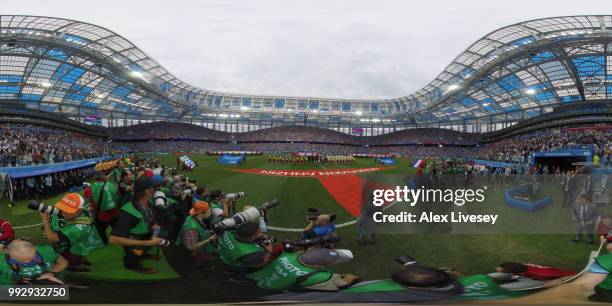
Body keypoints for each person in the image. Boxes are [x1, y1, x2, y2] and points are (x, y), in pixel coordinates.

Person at [109, 176, 168, 274]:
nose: (157, 189)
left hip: (144, 237)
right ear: (147, 191)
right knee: (133, 256)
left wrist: (154, 228)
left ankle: (143, 254)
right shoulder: (128, 212)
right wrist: (148, 243)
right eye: (154, 187)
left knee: (141, 252)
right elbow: (113, 239)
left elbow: (149, 218)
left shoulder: (148, 202)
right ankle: (134, 266)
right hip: (135, 241)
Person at [40, 193, 104, 272]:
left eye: (67, 210)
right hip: (82, 240)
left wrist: (45, 220)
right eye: (62, 208)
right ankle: (82, 260)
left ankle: (77, 266)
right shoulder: (84, 210)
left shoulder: (74, 229)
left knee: (68, 252)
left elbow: (52, 238)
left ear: (78, 211)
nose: (63, 212)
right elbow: (69, 215)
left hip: (74, 243)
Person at [246, 247, 359, 291]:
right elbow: (347, 281)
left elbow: (298, 253)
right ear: (318, 266)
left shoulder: (288, 256)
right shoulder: (318, 275)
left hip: (252, 280)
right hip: (268, 293)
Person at [0, 240, 68, 285]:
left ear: (35, 248)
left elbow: (63, 262)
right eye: (19, 259)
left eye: (31, 257)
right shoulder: (1, 260)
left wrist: (51, 273)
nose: (26, 262)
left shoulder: (46, 250)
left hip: (51, 283)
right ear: (6, 251)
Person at [176, 201, 219, 266]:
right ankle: (199, 261)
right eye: (209, 211)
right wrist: (210, 239)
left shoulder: (191, 217)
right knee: (209, 263)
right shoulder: (192, 230)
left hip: (194, 243)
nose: (211, 213)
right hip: (195, 250)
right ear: (200, 213)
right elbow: (191, 246)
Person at [88, 171, 119, 244]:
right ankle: (119, 238)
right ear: (104, 177)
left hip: (102, 213)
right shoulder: (111, 184)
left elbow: (92, 202)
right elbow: (117, 196)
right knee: (116, 226)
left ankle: (105, 241)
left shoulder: (91, 187)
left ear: (95, 178)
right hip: (114, 211)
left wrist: (94, 209)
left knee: (100, 229)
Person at [494, 262, 575, 281]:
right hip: (542, 273)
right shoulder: (521, 265)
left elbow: (570, 274)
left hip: (550, 274)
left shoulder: (543, 272)